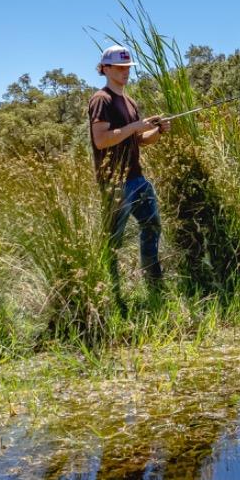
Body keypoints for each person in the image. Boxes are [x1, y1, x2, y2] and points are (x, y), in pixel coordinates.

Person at [88, 45, 169, 295]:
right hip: (115, 183)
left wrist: (158, 131)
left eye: (128, 68)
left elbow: (140, 140)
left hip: (137, 178)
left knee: (152, 226)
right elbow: (101, 140)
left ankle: (155, 286)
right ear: (106, 68)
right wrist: (134, 126)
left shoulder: (130, 101)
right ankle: (110, 293)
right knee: (113, 240)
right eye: (120, 67)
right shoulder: (101, 99)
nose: (126, 72)